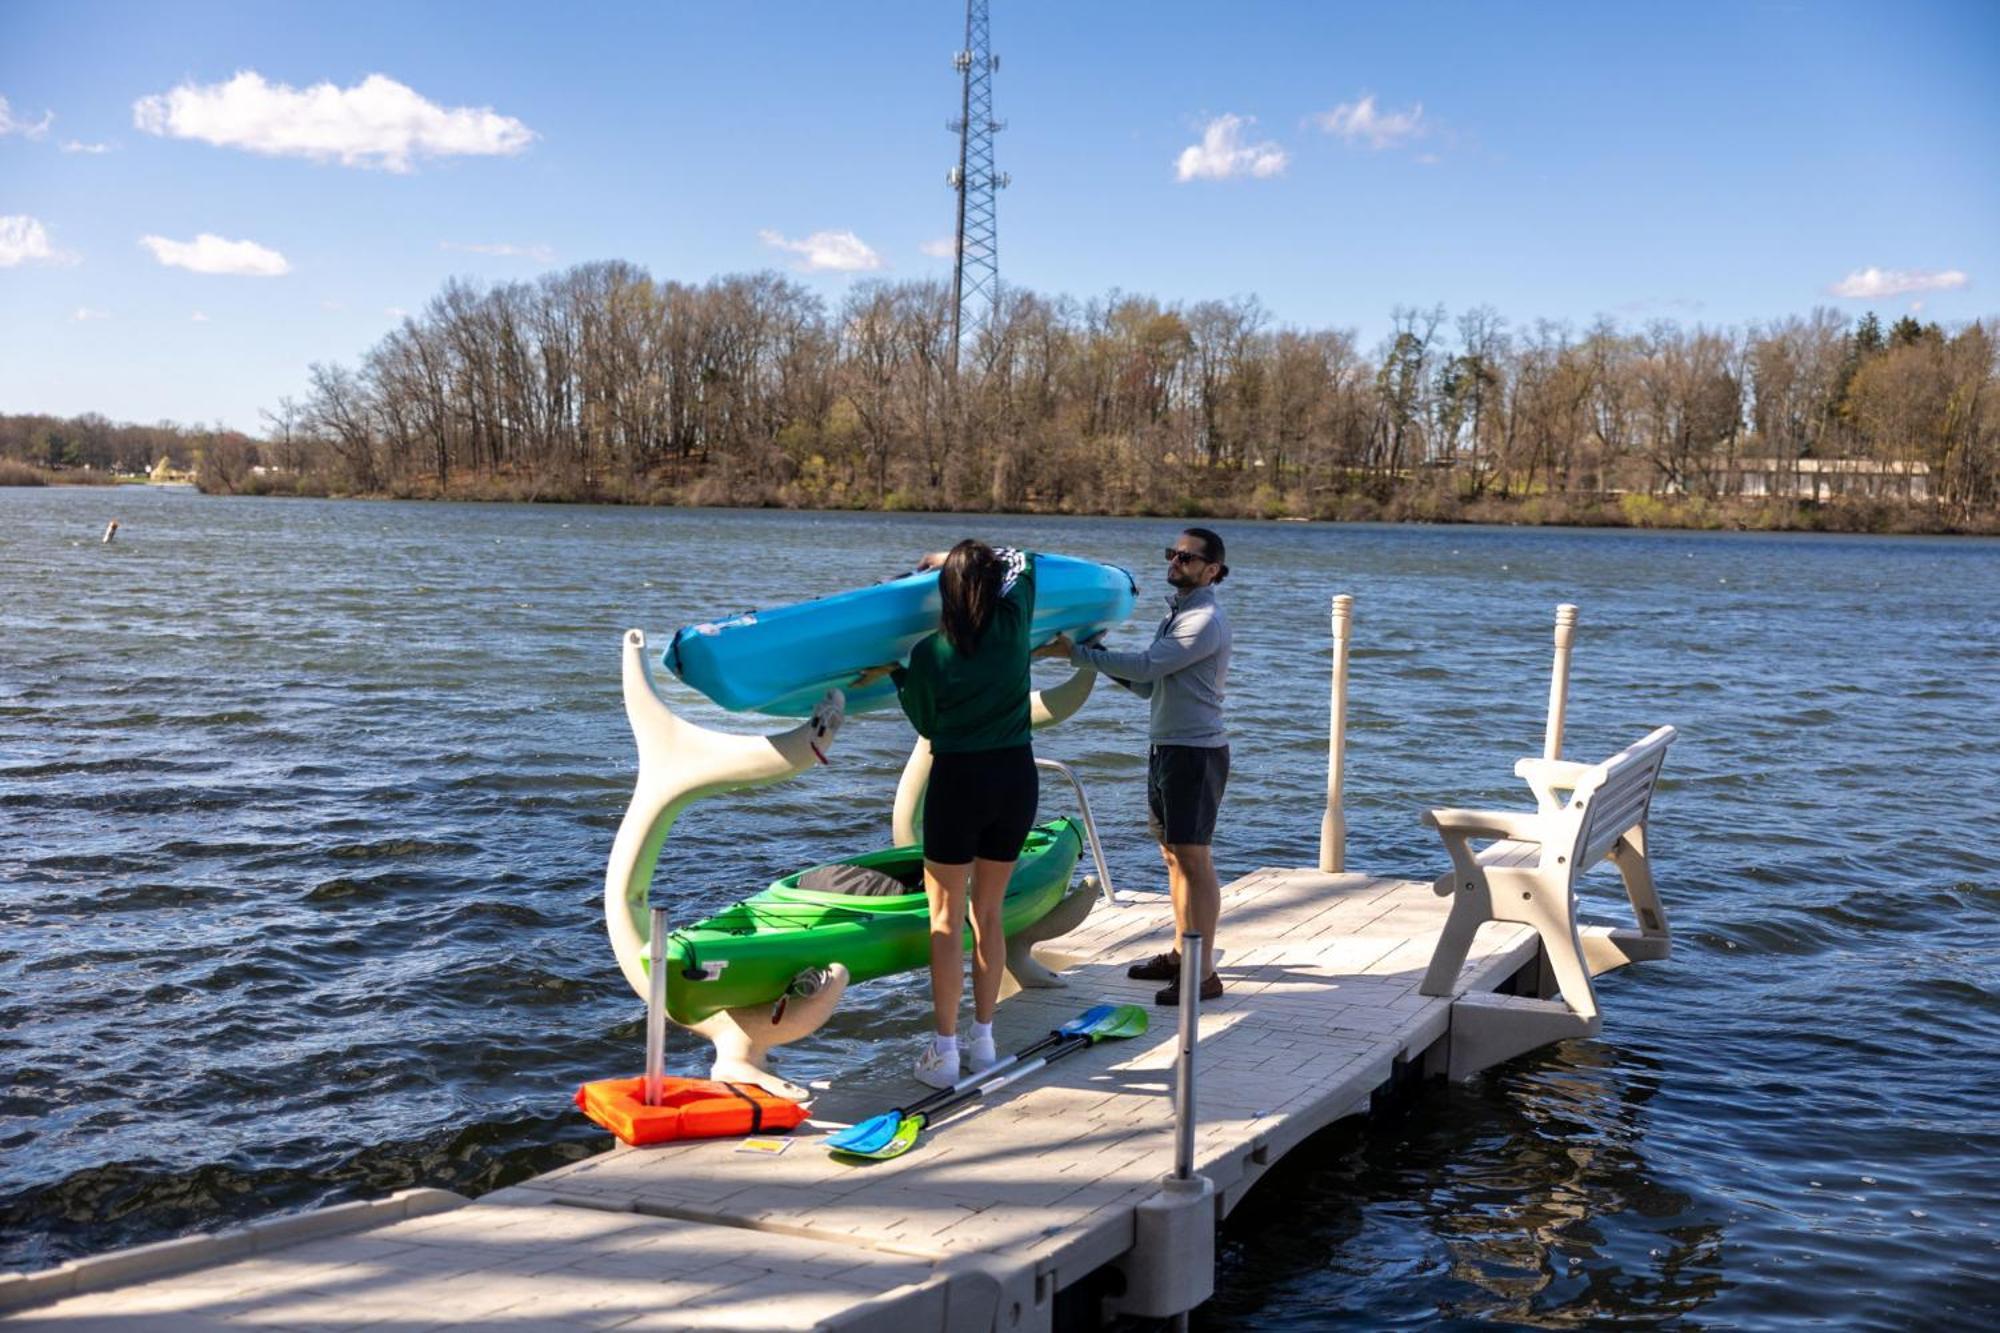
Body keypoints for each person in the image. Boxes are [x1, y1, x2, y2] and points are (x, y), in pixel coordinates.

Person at [856, 541, 1038, 1088]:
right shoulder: (1014, 622)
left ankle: (944, 1051)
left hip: (959, 783)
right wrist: (950, 555)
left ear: (946, 593)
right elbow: (1024, 557)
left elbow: (925, 721)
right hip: (1015, 779)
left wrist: (894, 673)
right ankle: (984, 1042)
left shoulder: (933, 654)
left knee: (944, 919)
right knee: (988, 913)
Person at [1038, 527, 1231, 1005]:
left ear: (1212, 571)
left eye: (1187, 558)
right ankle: (1180, 953)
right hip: (1167, 748)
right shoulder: (1178, 614)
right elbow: (1148, 685)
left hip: (1194, 754)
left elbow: (1145, 668)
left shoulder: (1203, 618)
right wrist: (1098, 656)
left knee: (1194, 858)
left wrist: (1077, 653)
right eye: (1172, 554)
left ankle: (1202, 975)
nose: (1175, 562)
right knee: (1173, 856)